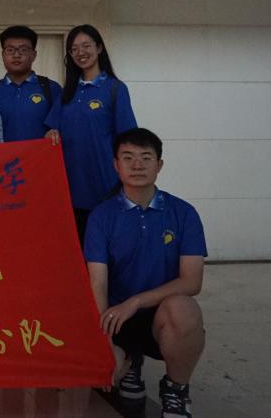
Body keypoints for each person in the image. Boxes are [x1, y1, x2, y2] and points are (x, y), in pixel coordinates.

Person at [84, 128, 206, 418]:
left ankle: (176, 390)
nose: (137, 165)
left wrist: (136, 301)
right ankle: (129, 362)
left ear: (159, 165)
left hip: (160, 316)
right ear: (116, 165)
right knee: (103, 372)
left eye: (145, 158)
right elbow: (97, 282)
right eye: (128, 158)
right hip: (116, 319)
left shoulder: (183, 213)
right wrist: (102, 342)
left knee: (184, 310)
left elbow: (192, 281)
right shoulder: (101, 216)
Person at [45, 25, 138, 242]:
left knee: (105, 248)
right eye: (74, 49)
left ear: (99, 48)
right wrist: (51, 132)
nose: (81, 52)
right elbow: (51, 128)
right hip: (70, 188)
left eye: (86, 46)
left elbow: (128, 140)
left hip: (105, 187)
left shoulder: (115, 89)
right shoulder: (67, 92)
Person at [0, 25, 61, 142]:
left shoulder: (51, 89)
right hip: (3, 155)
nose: (16, 55)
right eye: (10, 50)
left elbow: (64, 127)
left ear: (34, 54)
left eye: (23, 50)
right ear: (3, 55)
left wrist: (55, 132)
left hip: (40, 154)